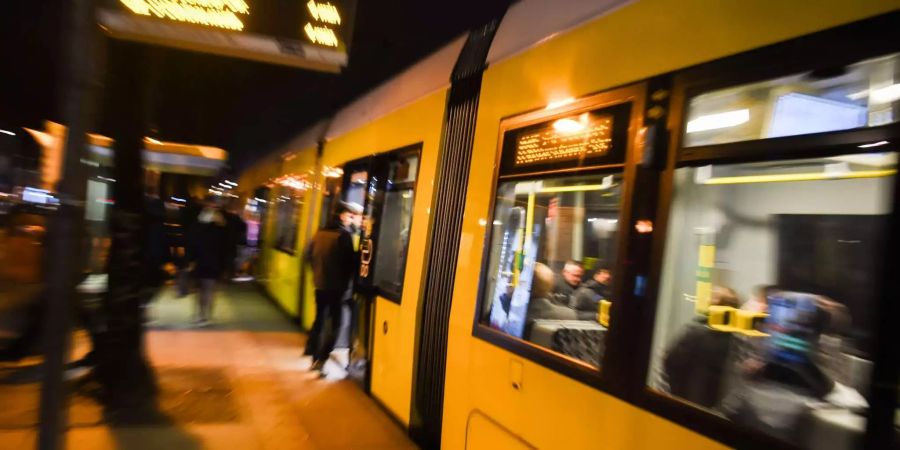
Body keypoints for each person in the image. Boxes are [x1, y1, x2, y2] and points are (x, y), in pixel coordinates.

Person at [660, 285, 741, 408]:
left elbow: (671, 361)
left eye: (713, 296)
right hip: (714, 408)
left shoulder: (698, 332)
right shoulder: (735, 339)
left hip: (689, 401)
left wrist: (677, 393)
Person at [304, 201, 361, 373]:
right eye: (349, 215)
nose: (351, 219)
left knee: (320, 320)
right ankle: (322, 359)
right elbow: (352, 262)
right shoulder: (343, 236)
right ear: (341, 215)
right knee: (336, 324)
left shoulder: (320, 232)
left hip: (320, 285)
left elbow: (308, 256)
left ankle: (312, 353)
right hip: (337, 287)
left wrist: (318, 274)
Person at [186, 196, 228, 327]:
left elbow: (191, 245)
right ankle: (206, 316)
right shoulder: (220, 230)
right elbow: (225, 248)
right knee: (209, 290)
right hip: (213, 263)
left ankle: (199, 315)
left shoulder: (196, 228)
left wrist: (190, 261)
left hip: (199, 263)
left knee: (200, 291)